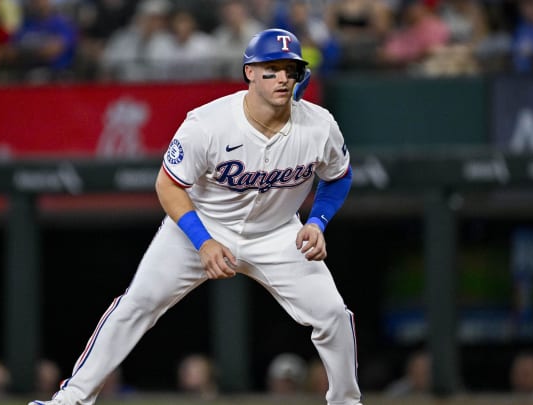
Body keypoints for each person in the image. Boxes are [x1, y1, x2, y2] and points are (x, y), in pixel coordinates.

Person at [28, 27, 362, 405]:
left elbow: (338, 176)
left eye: (290, 69)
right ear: (249, 72)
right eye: (271, 68)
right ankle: (71, 398)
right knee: (137, 304)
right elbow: (168, 186)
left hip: (278, 233)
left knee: (333, 314)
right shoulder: (208, 124)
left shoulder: (319, 125)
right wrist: (201, 241)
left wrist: (318, 222)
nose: (283, 77)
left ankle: (346, 403)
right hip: (200, 225)